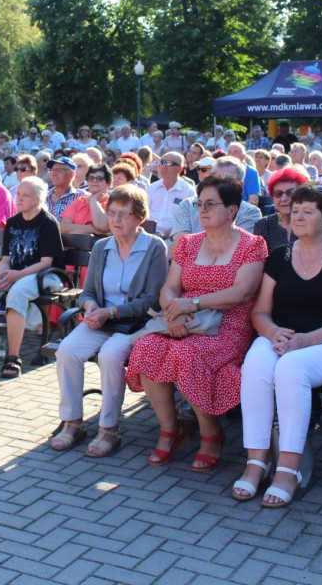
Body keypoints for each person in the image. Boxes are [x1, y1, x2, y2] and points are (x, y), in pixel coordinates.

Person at [232, 186, 322, 507]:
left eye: (308, 210)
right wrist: (273, 331)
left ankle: (288, 470)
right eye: (296, 209)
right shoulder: (280, 256)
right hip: (283, 336)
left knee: (291, 369)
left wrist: (306, 340)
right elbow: (260, 311)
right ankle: (256, 462)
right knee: (256, 365)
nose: (298, 215)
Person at [125, 176, 268, 471]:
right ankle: (170, 429)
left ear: (232, 210)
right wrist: (175, 313)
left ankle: (211, 433)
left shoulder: (252, 245)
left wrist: (192, 304)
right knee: (147, 347)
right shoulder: (188, 244)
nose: (202, 210)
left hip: (229, 324)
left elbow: (241, 292)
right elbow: (169, 288)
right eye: (199, 204)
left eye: (211, 204)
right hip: (183, 317)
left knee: (189, 354)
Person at [51, 185, 168, 456]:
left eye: (123, 214)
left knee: (111, 356)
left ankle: (109, 429)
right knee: (67, 351)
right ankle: (72, 422)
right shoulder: (102, 246)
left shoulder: (153, 247)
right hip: (102, 319)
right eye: (111, 213)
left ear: (139, 217)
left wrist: (110, 313)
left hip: (137, 322)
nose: (115, 220)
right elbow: (88, 292)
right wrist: (91, 306)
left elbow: (151, 299)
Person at [0, 176, 65, 378]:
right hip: (17, 272)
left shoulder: (48, 223)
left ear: (38, 200)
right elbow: (6, 258)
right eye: (19, 194)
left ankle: (13, 357)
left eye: (26, 195)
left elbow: (47, 262)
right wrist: (2, 272)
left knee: (17, 293)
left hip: (45, 275)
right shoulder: (13, 222)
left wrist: (17, 275)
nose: (19, 199)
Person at [253, 167, 311, 252]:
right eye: (278, 194)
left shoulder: (312, 223)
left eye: (290, 192)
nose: (283, 198)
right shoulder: (263, 225)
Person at [147, 152, 195, 237]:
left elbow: (188, 221)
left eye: (169, 164)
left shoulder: (188, 191)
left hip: (173, 238)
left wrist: (163, 235)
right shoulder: (152, 188)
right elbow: (144, 214)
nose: (163, 167)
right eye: (162, 162)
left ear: (180, 169)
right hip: (149, 235)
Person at [59, 163, 111, 235]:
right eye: (91, 178)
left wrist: (94, 200)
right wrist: (92, 229)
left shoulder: (113, 203)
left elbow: (103, 226)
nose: (94, 181)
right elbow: (63, 227)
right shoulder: (79, 201)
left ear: (108, 183)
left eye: (99, 179)